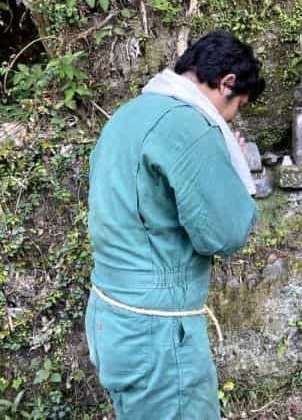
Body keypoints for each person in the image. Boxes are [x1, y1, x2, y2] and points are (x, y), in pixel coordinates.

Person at [84, 31, 265, 420]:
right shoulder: (188, 125)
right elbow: (226, 233)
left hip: (110, 317)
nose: (233, 117)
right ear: (226, 83)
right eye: (239, 106)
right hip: (157, 335)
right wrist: (232, 169)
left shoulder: (129, 113)